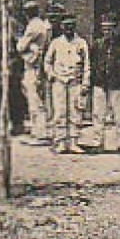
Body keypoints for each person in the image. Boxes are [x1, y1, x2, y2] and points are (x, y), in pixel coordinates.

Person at [44, 15, 92, 154]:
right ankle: (60, 142)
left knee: (75, 112)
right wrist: (51, 75)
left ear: (75, 26)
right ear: (62, 27)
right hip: (59, 81)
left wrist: (85, 83)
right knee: (60, 112)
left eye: (71, 25)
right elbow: (47, 61)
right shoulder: (56, 43)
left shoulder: (81, 43)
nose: (69, 29)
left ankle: (73, 142)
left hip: (75, 81)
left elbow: (87, 64)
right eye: (66, 26)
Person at [0, 9, 29, 137]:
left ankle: (17, 125)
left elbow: (17, 55)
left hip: (12, 74)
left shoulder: (11, 37)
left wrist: (15, 68)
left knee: (15, 99)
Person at [90, 13, 120, 152]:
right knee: (98, 114)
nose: (107, 32)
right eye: (105, 29)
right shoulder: (97, 44)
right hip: (100, 82)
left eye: (110, 29)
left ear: (115, 29)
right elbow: (93, 63)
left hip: (117, 83)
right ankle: (98, 142)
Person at [16, 1, 53, 144]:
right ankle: (38, 131)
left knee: (35, 99)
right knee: (37, 98)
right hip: (37, 64)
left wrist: (27, 45)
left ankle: (40, 133)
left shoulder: (34, 26)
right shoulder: (43, 25)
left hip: (34, 66)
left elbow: (20, 46)